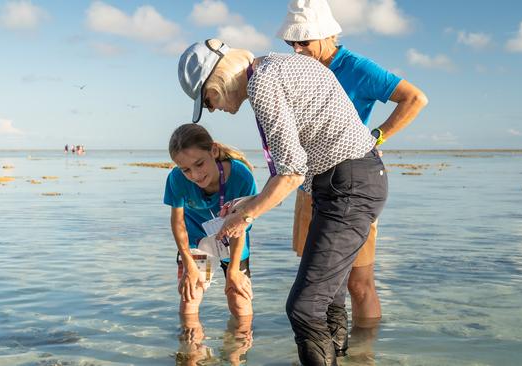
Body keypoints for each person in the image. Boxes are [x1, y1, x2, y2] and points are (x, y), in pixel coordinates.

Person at [178, 39, 387, 365]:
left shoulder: (262, 84)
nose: (213, 109)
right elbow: (300, 168)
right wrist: (249, 202)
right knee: (330, 300)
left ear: (217, 77)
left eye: (208, 99)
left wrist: (245, 215)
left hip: (347, 185)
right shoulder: (278, 65)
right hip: (353, 178)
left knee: (303, 308)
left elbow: (290, 173)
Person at [276, 0, 428, 328]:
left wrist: (378, 137)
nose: (297, 50)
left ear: (329, 34)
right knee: (318, 288)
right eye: (291, 43)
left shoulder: (357, 67)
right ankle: (335, 350)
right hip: (309, 186)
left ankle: (365, 356)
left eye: (304, 42)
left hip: (349, 187)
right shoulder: (299, 69)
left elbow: (415, 98)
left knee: (358, 284)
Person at [164, 123, 257, 320]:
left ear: (213, 151)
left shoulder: (241, 177)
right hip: (197, 242)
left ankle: (238, 349)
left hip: (233, 241)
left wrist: (233, 270)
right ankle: (190, 349)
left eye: (199, 164)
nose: (195, 175)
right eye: (186, 170)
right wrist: (188, 264)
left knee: (239, 299)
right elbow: (178, 223)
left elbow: (241, 228)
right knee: (191, 297)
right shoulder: (176, 179)